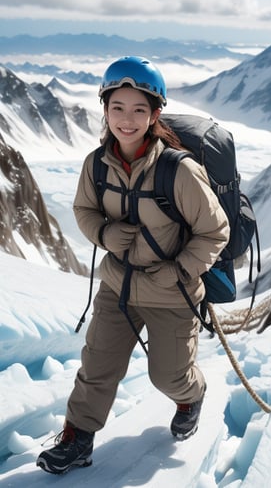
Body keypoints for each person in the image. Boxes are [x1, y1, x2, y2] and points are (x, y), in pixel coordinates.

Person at [36, 56, 230, 475]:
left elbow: (215, 232)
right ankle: (77, 439)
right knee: (97, 366)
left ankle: (190, 395)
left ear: (155, 113)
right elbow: (84, 209)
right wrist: (105, 235)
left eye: (139, 109)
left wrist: (179, 270)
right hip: (117, 287)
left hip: (172, 293)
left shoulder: (179, 172)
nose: (127, 119)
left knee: (169, 376)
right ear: (105, 109)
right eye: (117, 108)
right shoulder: (96, 165)